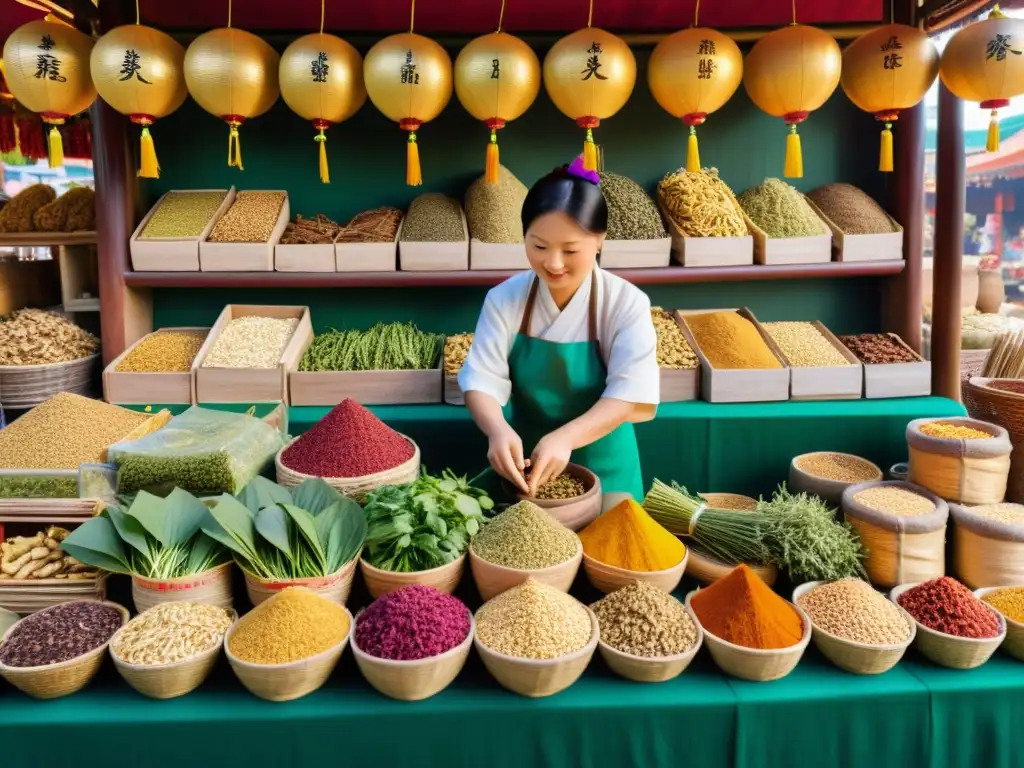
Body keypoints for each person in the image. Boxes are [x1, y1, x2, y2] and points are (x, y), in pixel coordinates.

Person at [458, 158, 659, 509]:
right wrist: (497, 430)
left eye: (570, 250)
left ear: (598, 240)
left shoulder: (625, 302)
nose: (553, 263)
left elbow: (629, 392)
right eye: (538, 246)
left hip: (606, 460)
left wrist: (566, 438)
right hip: (525, 467)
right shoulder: (505, 298)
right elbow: (481, 378)